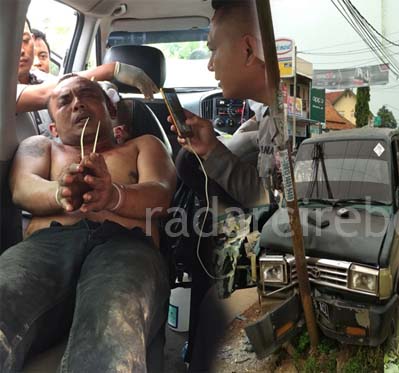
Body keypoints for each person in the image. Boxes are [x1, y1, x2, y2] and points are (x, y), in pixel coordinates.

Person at [0, 75, 176, 371]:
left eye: (87, 94)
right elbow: (22, 187)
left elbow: (161, 193)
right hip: (46, 246)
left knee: (113, 324)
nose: (77, 103)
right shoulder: (41, 146)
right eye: (64, 101)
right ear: (53, 125)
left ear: (110, 109)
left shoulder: (143, 145)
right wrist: (62, 191)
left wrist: (113, 196)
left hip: (126, 245)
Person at [168, 1, 278, 369]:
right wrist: (210, 146)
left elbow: (273, 204)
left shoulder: (291, 118)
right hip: (248, 239)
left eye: (214, 49)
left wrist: (213, 150)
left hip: (273, 261)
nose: (210, 64)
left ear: (248, 49)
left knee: (214, 312)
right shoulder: (265, 113)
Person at [17, 20, 158, 114]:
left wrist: (100, 89)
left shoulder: (38, 77)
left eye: (24, 40)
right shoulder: (5, 91)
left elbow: (61, 82)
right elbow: (53, 91)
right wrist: (112, 69)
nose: (21, 50)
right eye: (12, 41)